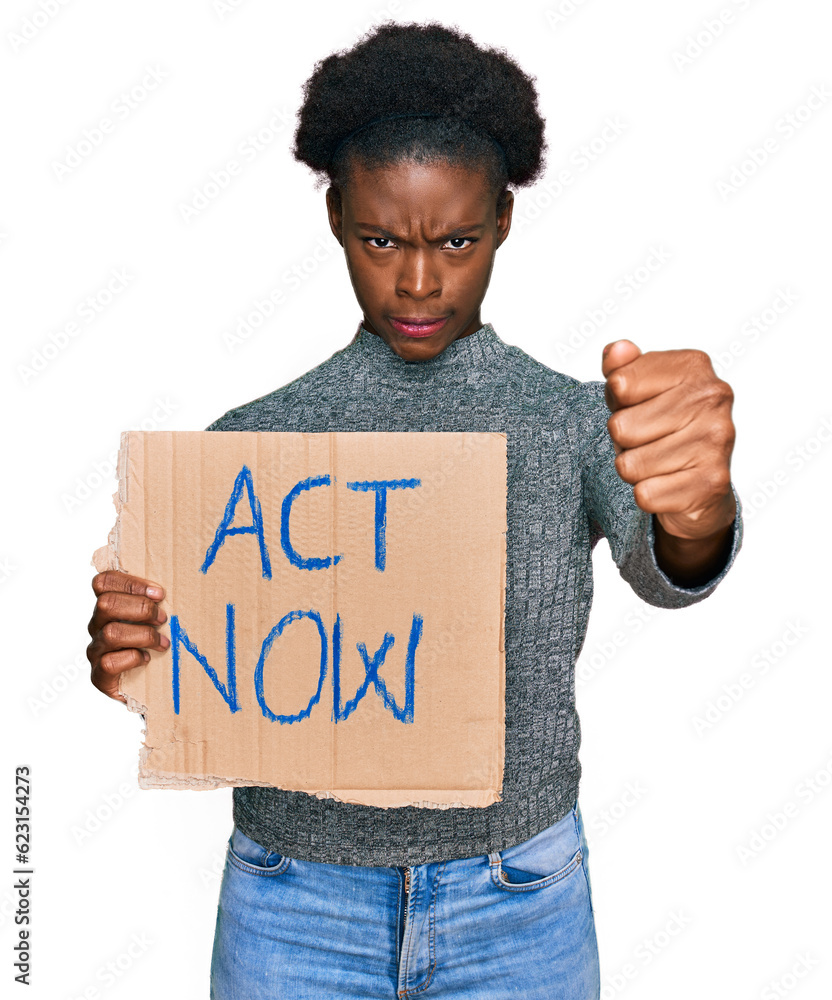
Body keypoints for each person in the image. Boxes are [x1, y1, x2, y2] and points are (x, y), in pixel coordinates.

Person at [86, 22, 742, 999]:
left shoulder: (570, 422)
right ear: (336, 217)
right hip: (291, 896)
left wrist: (699, 509)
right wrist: (128, 655)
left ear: (504, 221)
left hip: (516, 891)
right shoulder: (244, 449)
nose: (420, 280)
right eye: (381, 238)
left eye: (458, 239)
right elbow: (184, 672)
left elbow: (671, 571)